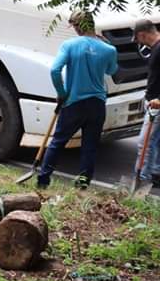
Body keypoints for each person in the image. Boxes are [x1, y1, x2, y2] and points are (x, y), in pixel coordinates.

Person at [37, 10, 118, 190]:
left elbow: (55, 70)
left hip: (73, 102)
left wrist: (61, 92)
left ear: (79, 27)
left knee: (58, 142)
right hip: (97, 104)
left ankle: (43, 180)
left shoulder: (70, 45)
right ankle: (82, 185)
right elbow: (111, 71)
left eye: (74, 26)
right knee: (89, 147)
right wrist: (105, 47)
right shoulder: (109, 49)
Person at [133, 19, 160, 186]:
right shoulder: (155, 49)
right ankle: (155, 173)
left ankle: (142, 178)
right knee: (156, 140)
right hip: (152, 100)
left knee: (145, 142)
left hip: (156, 104)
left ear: (142, 34)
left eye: (138, 39)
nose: (139, 43)